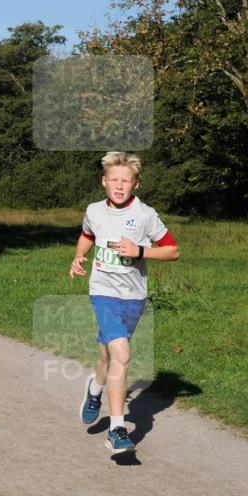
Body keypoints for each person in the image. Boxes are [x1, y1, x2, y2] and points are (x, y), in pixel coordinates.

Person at [69, 151, 180, 455]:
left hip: (134, 298)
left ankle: (94, 389)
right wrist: (79, 256)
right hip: (103, 293)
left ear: (136, 185)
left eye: (126, 181)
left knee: (109, 355)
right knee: (122, 353)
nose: (119, 186)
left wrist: (140, 251)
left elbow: (172, 251)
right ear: (103, 181)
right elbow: (87, 234)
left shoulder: (145, 215)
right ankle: (117, 429)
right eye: (114, 180)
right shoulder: (94, 210)